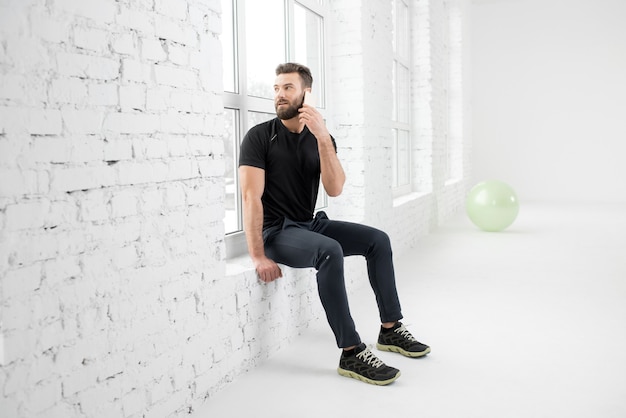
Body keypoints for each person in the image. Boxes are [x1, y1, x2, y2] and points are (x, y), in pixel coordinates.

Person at [238, 62, 430, 386]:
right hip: (277, 231)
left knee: (378, 240)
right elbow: (249, 198)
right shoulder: (259, 137)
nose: (280, 95)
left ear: (306, 93)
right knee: (329, 251)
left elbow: (335, 187)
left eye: (288, 88)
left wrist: (323, 137)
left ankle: (391, 329)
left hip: (309, 225)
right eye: (276, 88)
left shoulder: (321, 138)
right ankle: (351, 351)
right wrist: (257, 255)